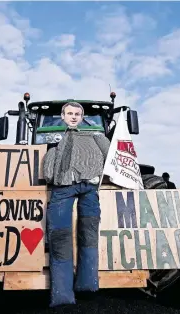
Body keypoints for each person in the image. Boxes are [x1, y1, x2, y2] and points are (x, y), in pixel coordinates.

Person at [42, 101, 110, 307]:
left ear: (82, 117)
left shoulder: (96, 136)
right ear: (62, 116)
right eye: (69, 113)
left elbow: (110, 156)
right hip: (63, 187)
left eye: (77, 114)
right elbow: (47, 170)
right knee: (60, 237)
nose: (73, 116)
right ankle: (62, 295)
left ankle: (87, 285)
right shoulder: (54, 140)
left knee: (89, 235)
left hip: (88, 186)